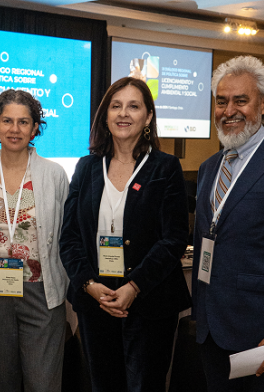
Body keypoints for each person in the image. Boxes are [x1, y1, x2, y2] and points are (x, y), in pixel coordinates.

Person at [60, 77, 191, 392]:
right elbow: (69, 237)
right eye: (116, 106)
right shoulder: (87, 167)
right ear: (105, 115)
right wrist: (90, 285)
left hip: (150, 302)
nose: (123, 113)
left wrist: (134, 286)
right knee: (103, 384)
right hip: (96, 302)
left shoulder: (166, 167)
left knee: (146, 384)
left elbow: (174, 238)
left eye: (134, 106)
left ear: (148, 117)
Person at [0, 89, 69, 392]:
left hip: (41, 291)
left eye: (24, 122)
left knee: (43, 382)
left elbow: (65, 235)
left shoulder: (54, 174)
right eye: (7, 121)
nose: (15, 129)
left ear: (35, 128)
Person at [192, 55, 264, 391]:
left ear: (262, 105)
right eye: (221, 101)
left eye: (241, 100)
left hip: (255, 332)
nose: (229, 110)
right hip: (211, 327)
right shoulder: (209, 168)